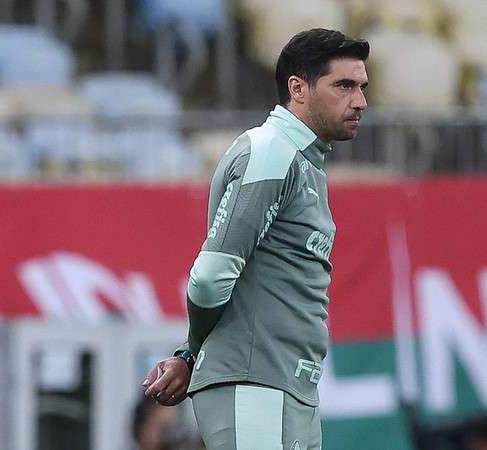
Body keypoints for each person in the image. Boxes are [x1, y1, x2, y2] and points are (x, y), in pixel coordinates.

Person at [142, 28, 370, 450]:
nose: (360, 101)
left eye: (361, 87)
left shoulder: (304, 162)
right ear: (297, 89)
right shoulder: (271, 150)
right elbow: (210, 277)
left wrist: (191, 355)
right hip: (255, 383)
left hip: (284, 386)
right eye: (344, 85)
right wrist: (193, 353)